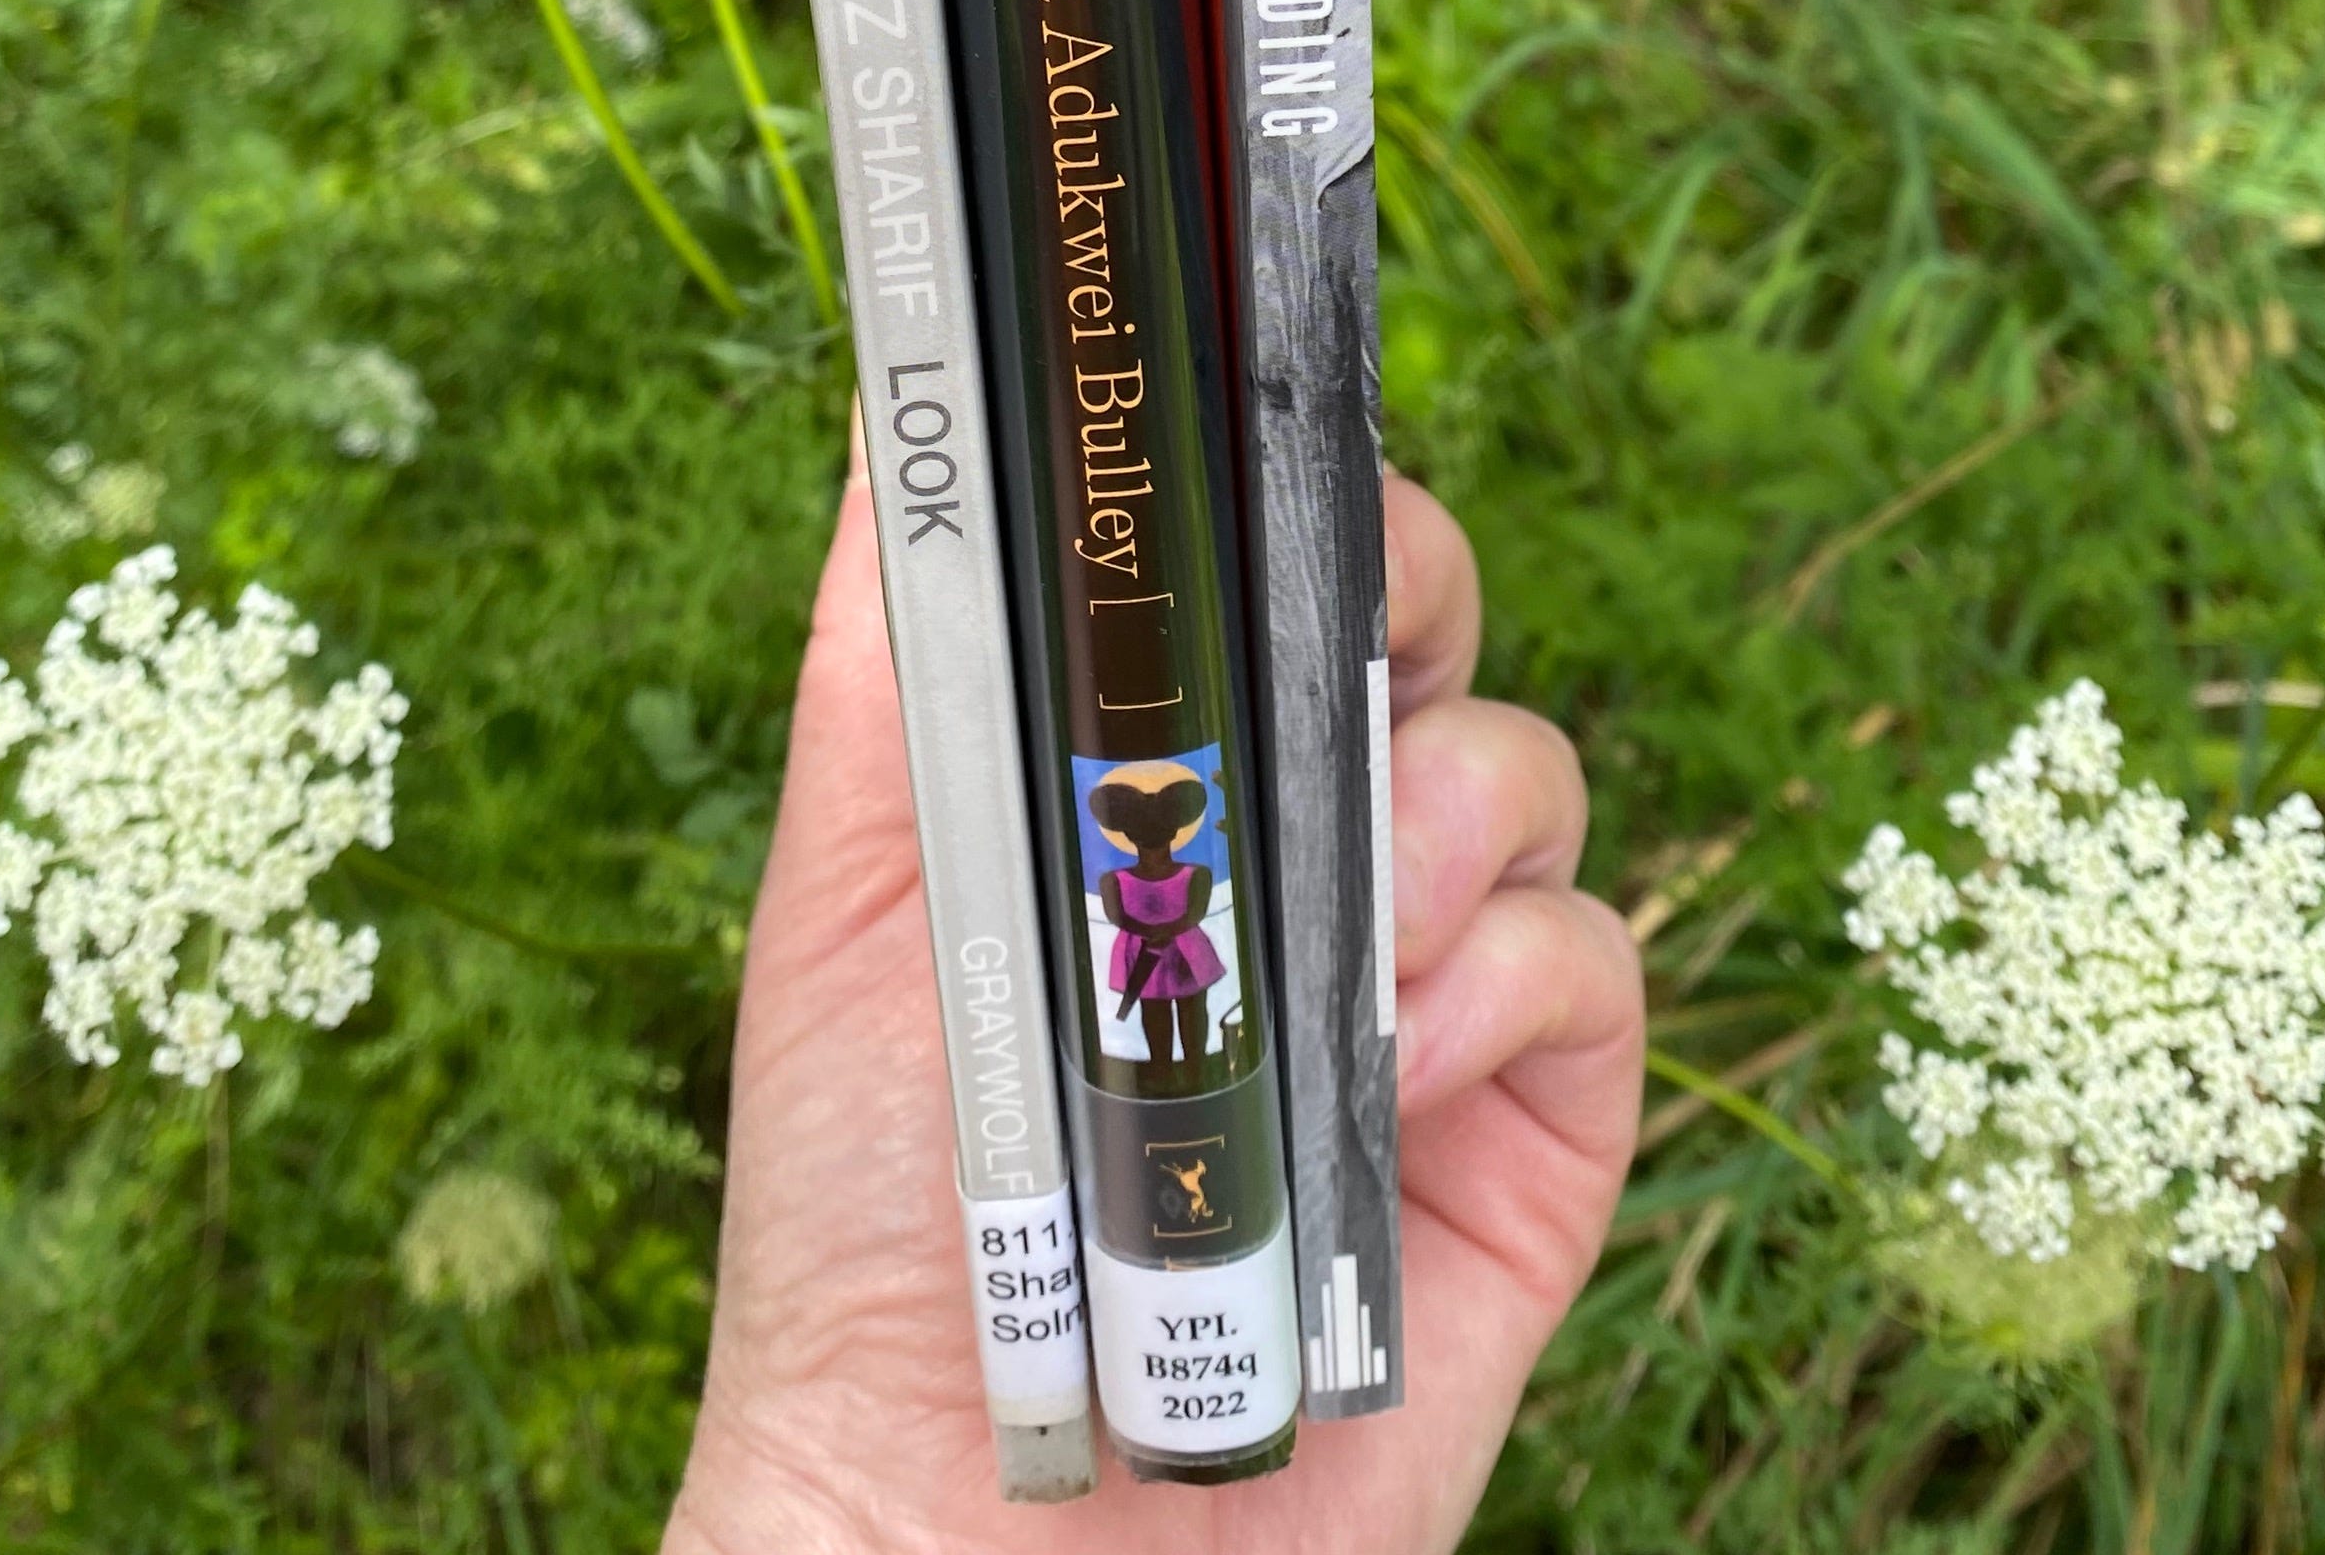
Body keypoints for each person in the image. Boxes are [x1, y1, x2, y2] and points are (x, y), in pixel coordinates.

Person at [665, 457, 1645, 1553]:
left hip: (1193, 1000)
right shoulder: (1128, 879)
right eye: (1136, 832)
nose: (1145, 843)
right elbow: (1129, 934)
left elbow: (1172, 922)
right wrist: (848, 1497)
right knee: (1177, 1034)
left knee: (1214, 1010)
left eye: (1155, 828)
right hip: (1151, 1005)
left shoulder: (1177, 873)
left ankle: (1244, 1229)